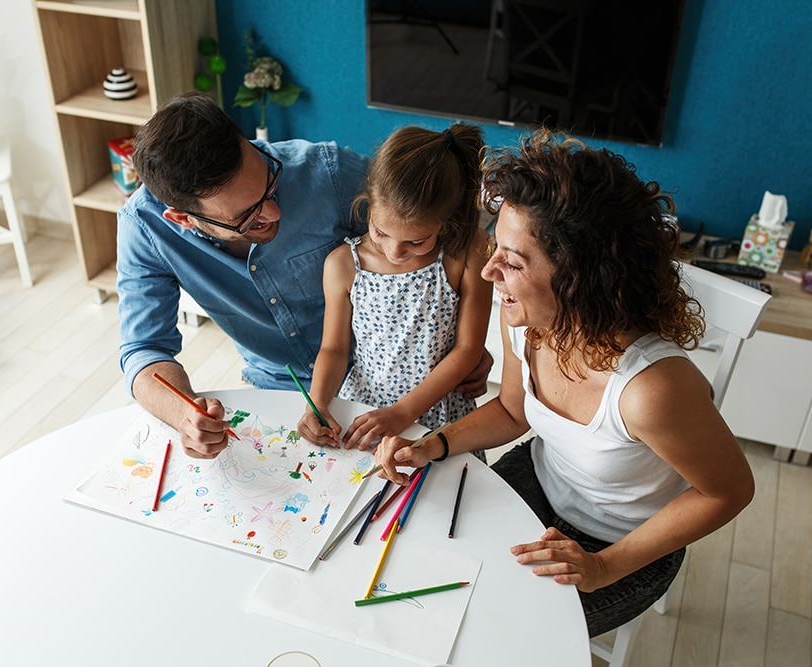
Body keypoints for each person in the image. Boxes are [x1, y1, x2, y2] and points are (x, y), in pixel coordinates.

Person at [374, 128, 755, 637]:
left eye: (511, 261)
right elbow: (512, 413)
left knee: (492, 635)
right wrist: (431, 446)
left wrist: (605, 568)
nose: (488, 272)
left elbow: (727, 492)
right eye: (495, 250)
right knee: (416, 572)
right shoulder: (530, 322)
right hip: (535, 485)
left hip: (619, 545)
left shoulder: (651, 389)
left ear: (578, 274)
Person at [116, 93, 491, 461]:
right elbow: (144, 351)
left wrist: (463, 339)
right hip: (278, 391)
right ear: (183, 219)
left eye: (270, 184)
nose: (275, 212)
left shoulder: (330, 173)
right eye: (248, 217)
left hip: (386, 384)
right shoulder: (144, 230)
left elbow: (429, 212)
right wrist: (185, 415)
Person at [297, 124, 493, 454]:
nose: (395, 252)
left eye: (416, 241)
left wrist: (403, 412)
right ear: (368, 205)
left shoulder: (468, 252)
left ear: (447, 220)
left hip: (438, 417)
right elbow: (333, 349)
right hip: (363, 414)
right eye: (380, 232)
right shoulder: (342, 265)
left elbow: (468, 350)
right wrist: (316, 404)